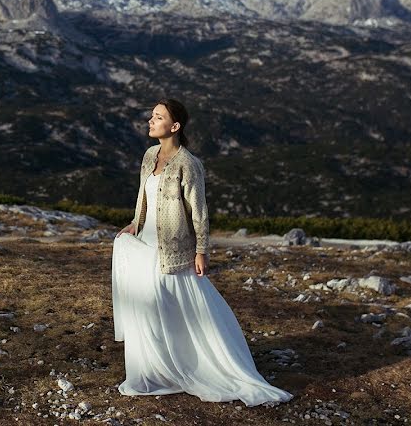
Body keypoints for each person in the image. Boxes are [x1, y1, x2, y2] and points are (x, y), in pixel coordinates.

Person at [111, 98, 294, 406]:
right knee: (147, 301)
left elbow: (199, 212)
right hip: (145, 239)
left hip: (172, 246)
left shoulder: (189, 164)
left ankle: (194, 361)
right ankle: (153, 366)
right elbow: (143, 198)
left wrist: (202, 250)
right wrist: (133, 223)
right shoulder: (149, 155)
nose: (150, 121)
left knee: (173, 300)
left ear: (175, 126)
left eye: (158, 117)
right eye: (152, 116)